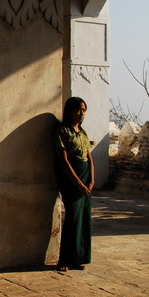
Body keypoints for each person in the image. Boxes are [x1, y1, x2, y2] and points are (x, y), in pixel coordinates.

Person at [54, 97, 94, 271]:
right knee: (72, 217)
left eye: (84, 109)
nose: (82, 113)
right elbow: (63, 161)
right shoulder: (63, 132)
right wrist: (77, 182)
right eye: (78, 109)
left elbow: (89, 157)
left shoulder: (83, 133)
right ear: (70, 111)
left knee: (83, 218)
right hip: (72, 180)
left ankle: (78, 258)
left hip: (85, 179)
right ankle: (64, 260)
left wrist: (92, 180)